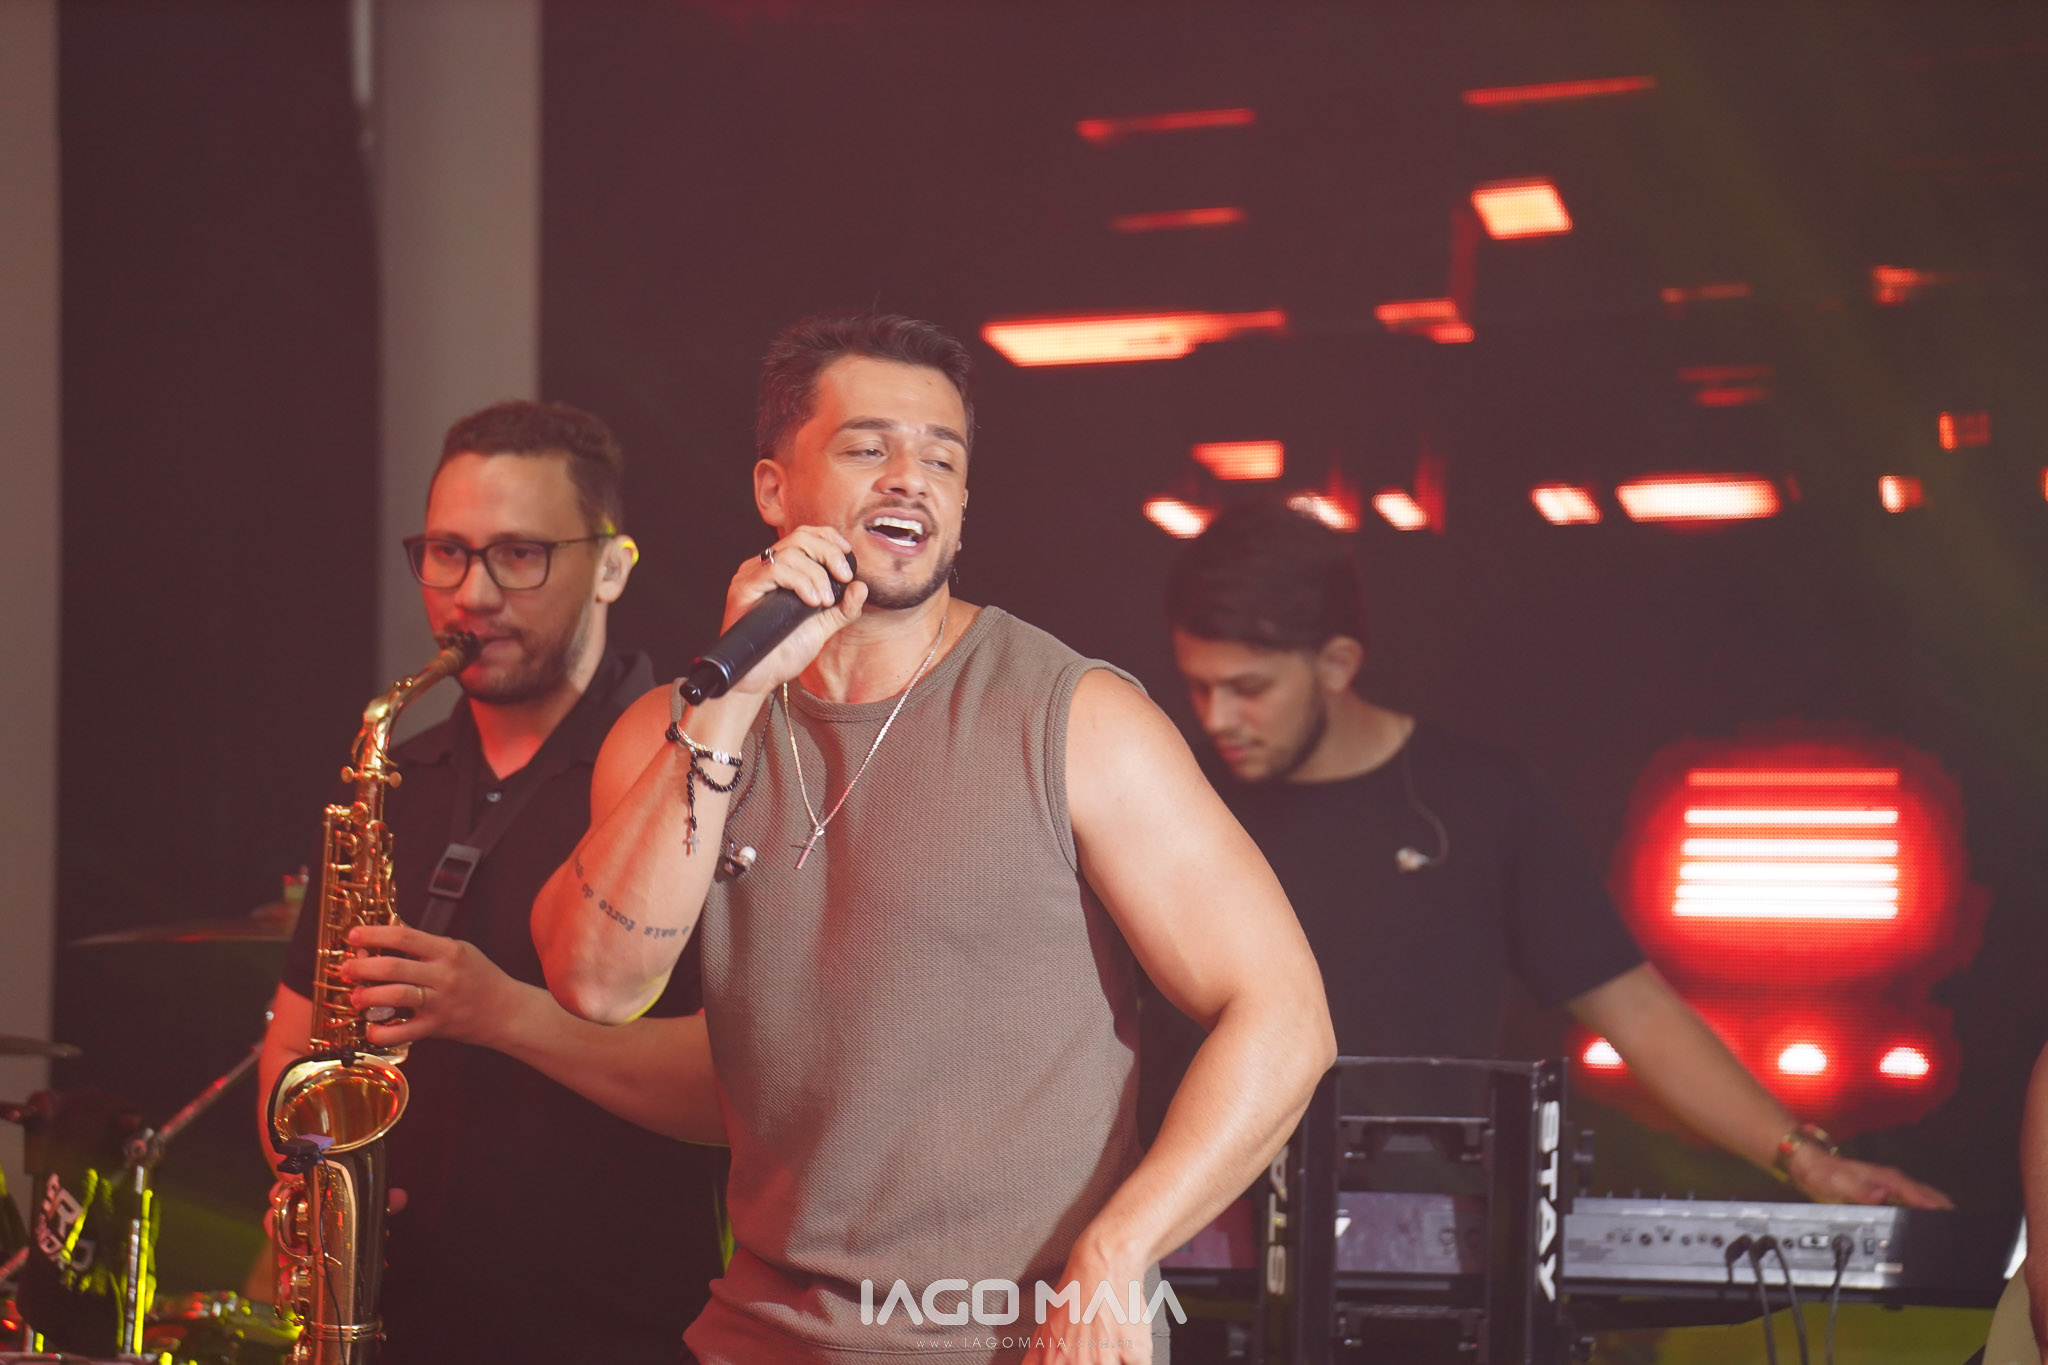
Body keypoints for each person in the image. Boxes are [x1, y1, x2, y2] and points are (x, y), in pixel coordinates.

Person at [529, 314, 1336, 1365]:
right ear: (774, 488)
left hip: (1017, 1341)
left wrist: (1115, 1255)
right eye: (867, 447)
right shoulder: (674, 730)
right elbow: (596, 984)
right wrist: (728, 704)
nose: (909, 477)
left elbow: (1285, 1017)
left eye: (942, 459)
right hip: (762, 1338)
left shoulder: (1075, 718)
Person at [1159, 495, 1949, 1208]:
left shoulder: (1481, 799)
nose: (1217, 716)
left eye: (1248, 688)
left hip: (1432, 1240)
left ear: (1336, 664)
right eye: (1199, 686)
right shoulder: (1175, 805)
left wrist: (1807, 1162)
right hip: (1200, 1235)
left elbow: (1633, 1007)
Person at [254, 401, 727, 1365]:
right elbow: (298, 1040)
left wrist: (503, 1010)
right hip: (397, 1327)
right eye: (447, 553)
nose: (471, 594)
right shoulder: (394, 775)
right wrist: (311, 1177)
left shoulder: (685, 777)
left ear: (612, 567)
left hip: (611, 1338)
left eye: (519, 554)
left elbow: (734, 1093)